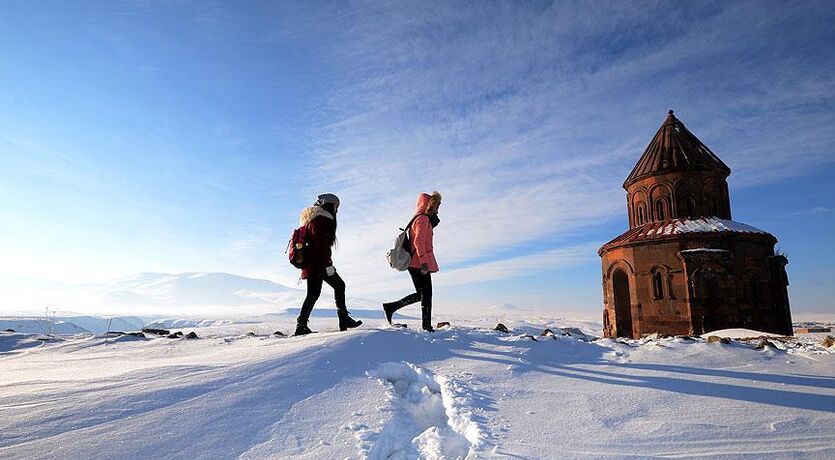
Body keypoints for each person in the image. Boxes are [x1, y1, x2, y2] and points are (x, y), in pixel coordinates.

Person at [295, 193, 362, 336]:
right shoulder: (321, 220)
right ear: (330, 205)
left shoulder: (312, 219)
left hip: (312, 264)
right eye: (336, 206)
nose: (337, 209)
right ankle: (343, 319)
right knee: (339, 285)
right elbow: (321, 245)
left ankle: (301, 325)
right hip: (318, 264)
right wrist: (328, 264)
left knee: (313, 294)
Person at [382, 191, 442, 332]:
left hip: (415, 263)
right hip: (419, 263)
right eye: (437, 206)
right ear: (430, 205)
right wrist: (424, 262)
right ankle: (426, 326)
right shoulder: (422, 219)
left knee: (422, 294)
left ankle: (391, 307)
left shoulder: (420, 218)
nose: (438, 209)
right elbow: (418, 242)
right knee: (426, 295)